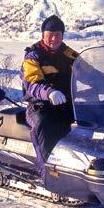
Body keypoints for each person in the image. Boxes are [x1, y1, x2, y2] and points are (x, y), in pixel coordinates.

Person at [20, 15, 79, 178]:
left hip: (67, 103)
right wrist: (49, 92)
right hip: (41, 106)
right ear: (43, 35)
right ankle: (46, 172)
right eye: (50, 34)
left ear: (62, 35)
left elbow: (86, 68)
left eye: (58, 34)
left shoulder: (69, 53)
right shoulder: (33, 56)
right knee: (45, 126)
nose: (54, 38)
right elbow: (31, 83)